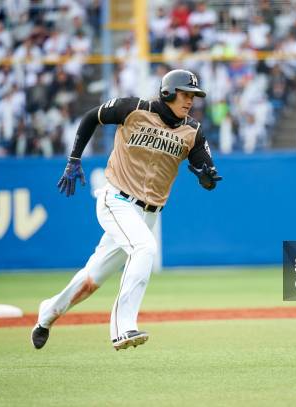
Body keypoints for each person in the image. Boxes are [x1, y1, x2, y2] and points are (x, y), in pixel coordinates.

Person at [31, 69, 222, 351]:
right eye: (185, 93)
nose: (190, 100)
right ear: (167, 92)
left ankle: (47, 314)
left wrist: (206, 179)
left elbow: (207, 173)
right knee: (144, 248)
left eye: (194, 95)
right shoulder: (133, 109)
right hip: (116, 200)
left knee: (92, 279)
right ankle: (123, 327)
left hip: (149, 214)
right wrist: (74, 159)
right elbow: (91, 117)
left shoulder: (192, 131)